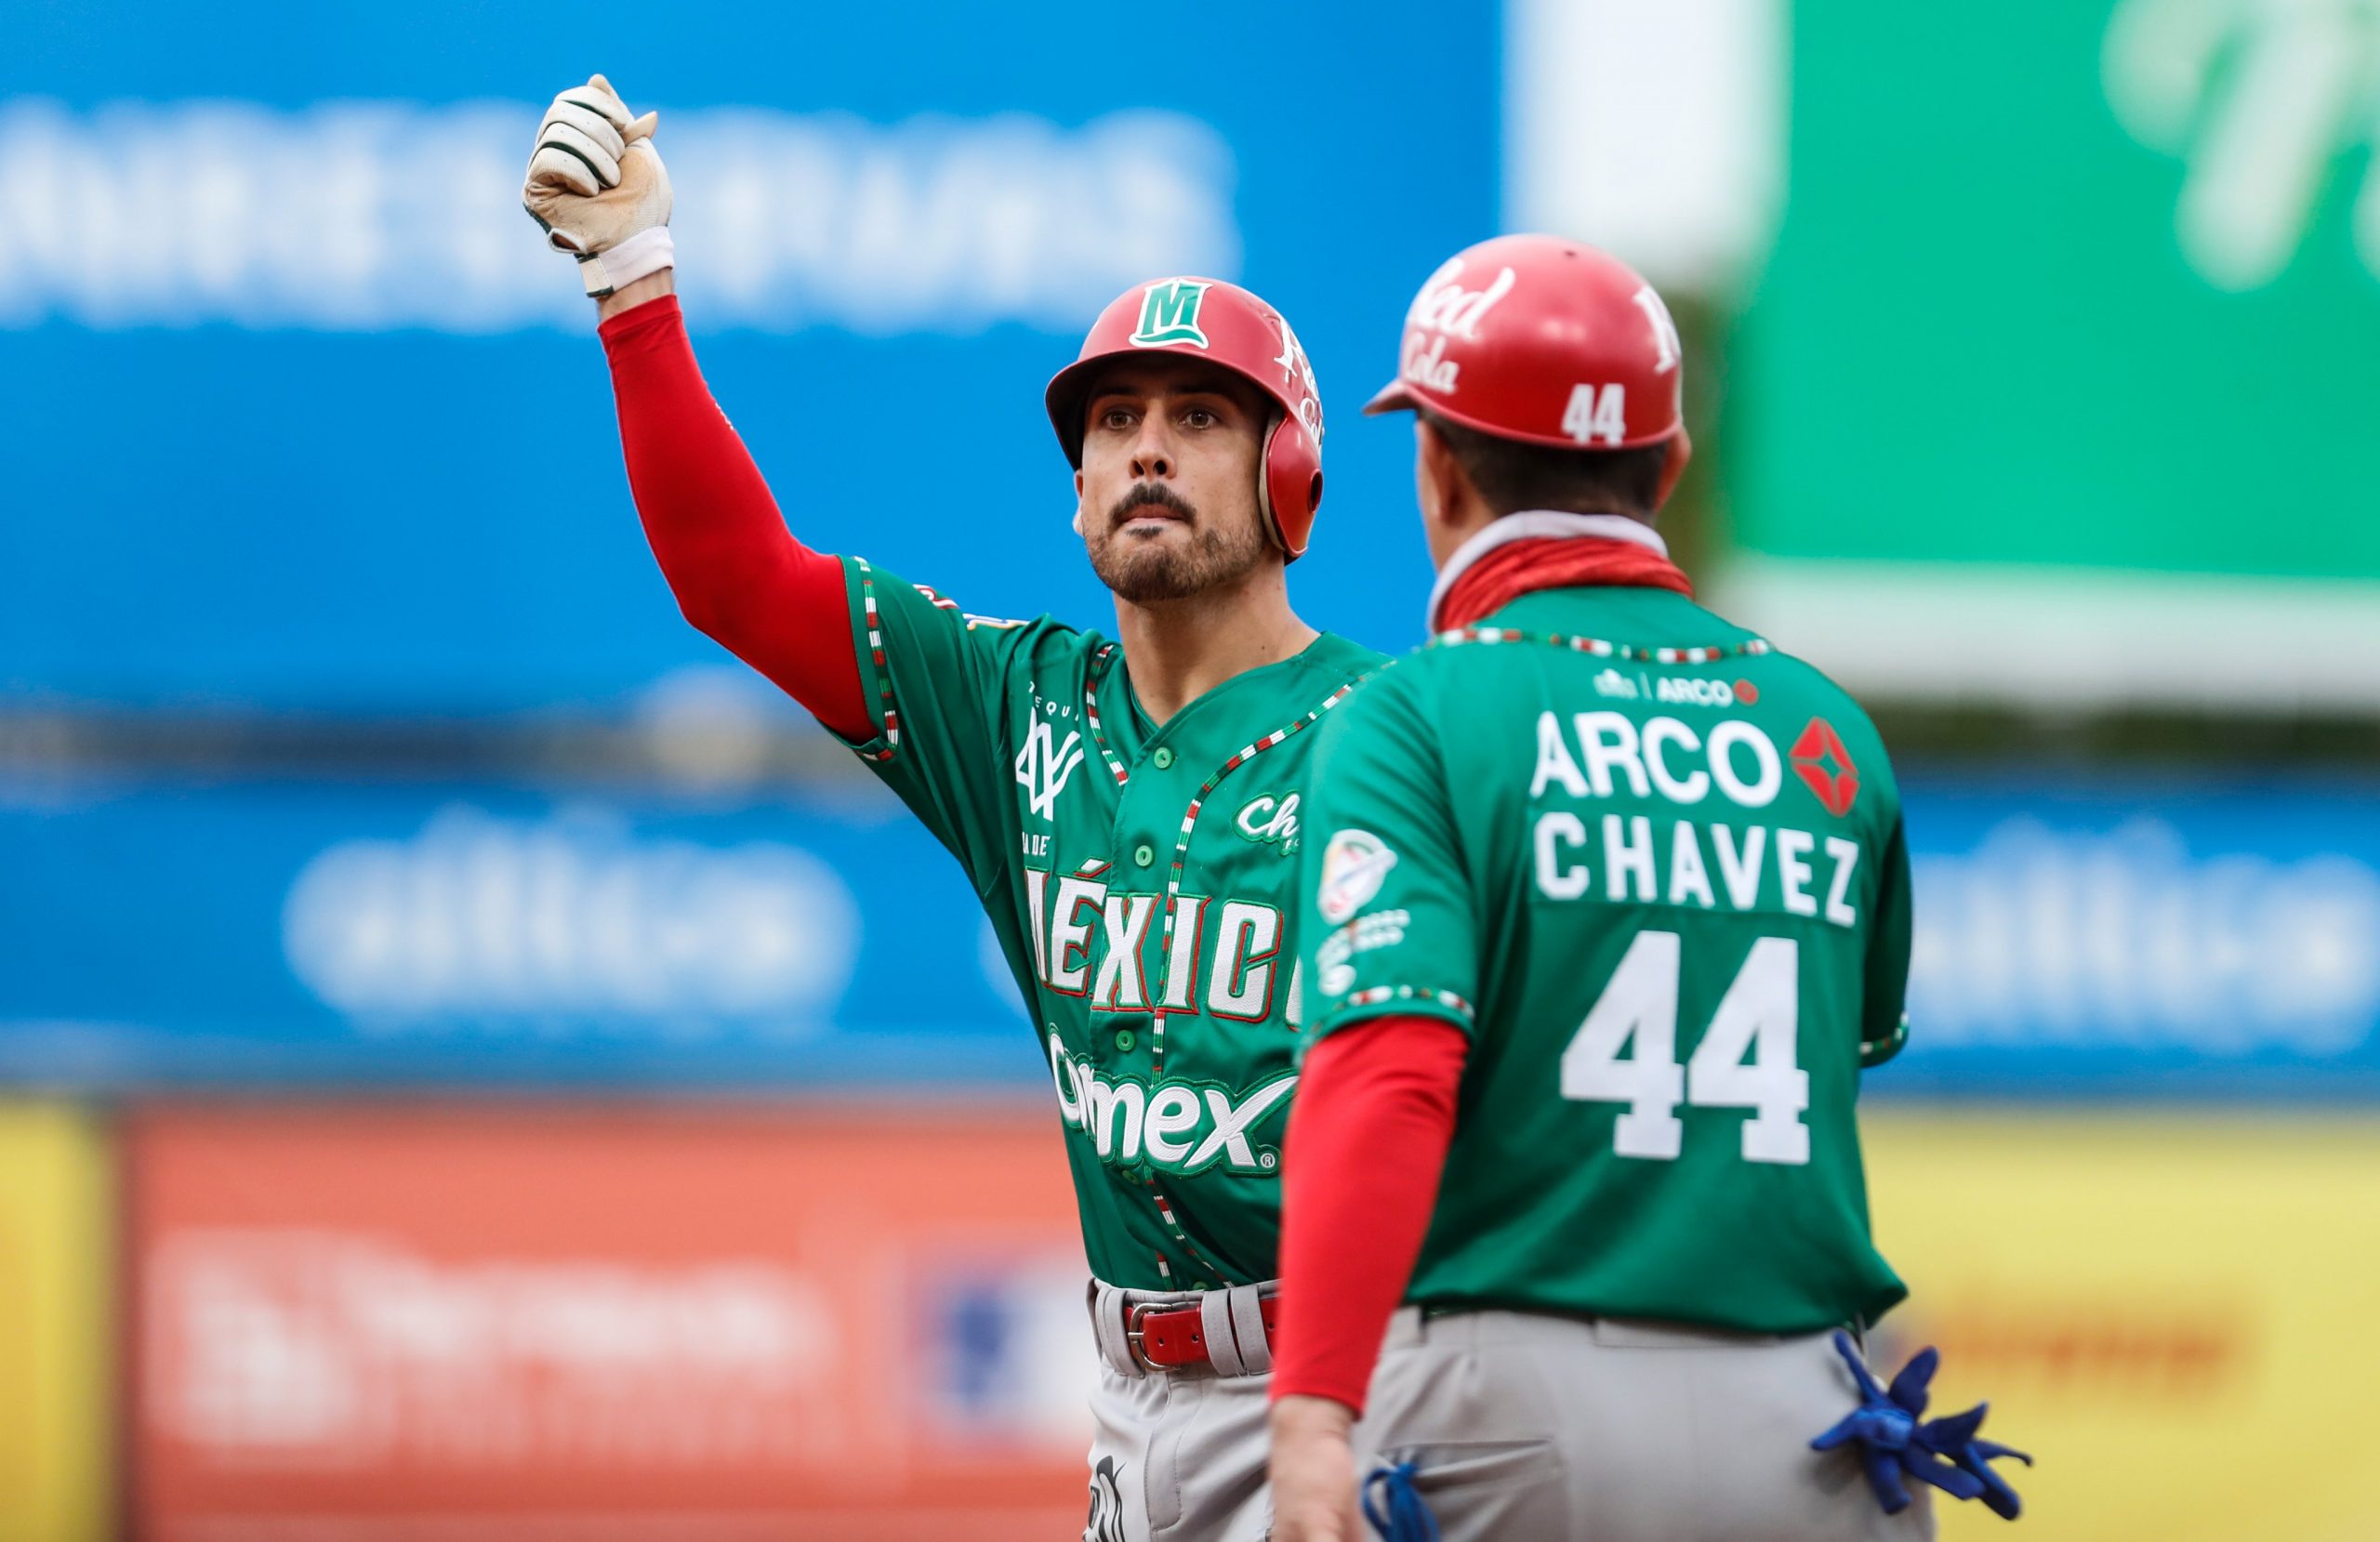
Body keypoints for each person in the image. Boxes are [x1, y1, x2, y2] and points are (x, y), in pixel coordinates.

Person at [522, 77, 1384, 1542]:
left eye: (1197, 415)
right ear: (1078, 489)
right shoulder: (1016, 711)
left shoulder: (1393, 732)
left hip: (1353, 1386)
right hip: (1133, 1403)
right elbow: (735, 578)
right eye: (1114, 421)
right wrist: (631, 277)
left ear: (1289, 471)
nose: (1147, 448)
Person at [1264, 235, 2024, 1541]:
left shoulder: (1415, 718)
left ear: (1436, 465)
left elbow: (1389, 1069)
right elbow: (1847, 1047)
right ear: (1666, 467)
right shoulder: (1822, 730)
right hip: (1808, 1426)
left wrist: (1309, 1413)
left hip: (1515, 1416)